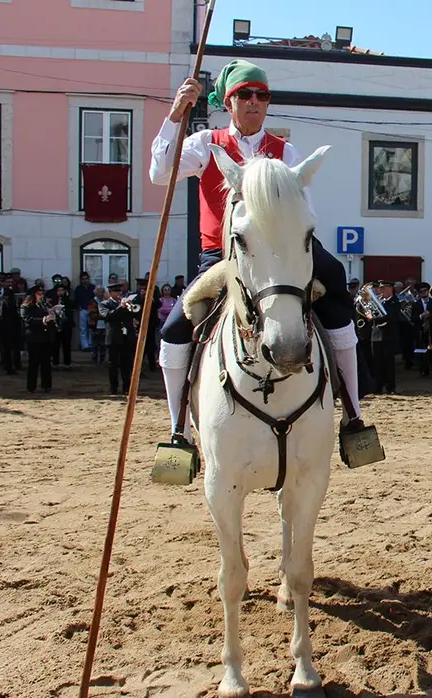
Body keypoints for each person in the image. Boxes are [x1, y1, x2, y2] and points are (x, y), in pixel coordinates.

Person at [149, 59, 377, 462]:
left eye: (262, 95)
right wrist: (174, 115)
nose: (254, 102)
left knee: (336, 286)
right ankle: (179, 432)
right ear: (228, 101)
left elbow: (305, 209)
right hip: (224, 255)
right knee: (173, 329)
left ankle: (354, 416)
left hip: (284, 252)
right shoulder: (207, 143)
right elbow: (159, 173)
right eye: (244, 95)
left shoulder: (285, 150)